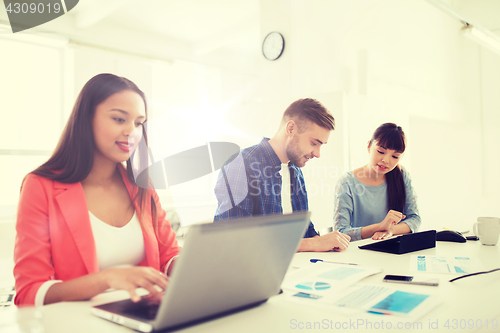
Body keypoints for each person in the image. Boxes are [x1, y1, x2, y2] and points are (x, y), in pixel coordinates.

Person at [14, 74, 180, 306]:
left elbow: (168, 255)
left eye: (139, 122)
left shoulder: (142, 186)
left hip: (143, 317)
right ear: (87, 119)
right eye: (119, 119)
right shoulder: (40, 186)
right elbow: (29, 293)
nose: (132, 131)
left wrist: (187, 263)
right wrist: (106, 279)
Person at [214, 98, 350, 252]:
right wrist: (314, 244)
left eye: (320, 146)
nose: (317, 154)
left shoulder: (295, 170)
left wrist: (325, 241)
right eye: (314, 143)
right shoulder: (240, 164)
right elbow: (236, 238)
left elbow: (304, 228)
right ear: (291, 129)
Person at [333, 123, 421, 241]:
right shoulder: (346, 183)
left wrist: (390, 230)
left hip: (392, 251)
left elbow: (415, 219)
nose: (385, 160)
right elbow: (341, 232)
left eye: (395, 156)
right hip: (358, 253)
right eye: (381, 151)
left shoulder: (401, 175)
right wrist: (380, 227)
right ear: (369, 146)